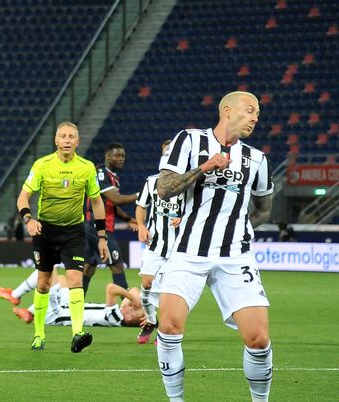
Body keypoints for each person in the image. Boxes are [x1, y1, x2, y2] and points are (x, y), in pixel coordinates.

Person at [151, 91, 274, 402]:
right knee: (169, 325)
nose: (255, 117)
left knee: (258, 339)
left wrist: (236, 228)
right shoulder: (190, 140)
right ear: (227, 110)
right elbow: (164, 189)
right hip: (188, 252)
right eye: (250, 110)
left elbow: (263, 208)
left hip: (236, 256)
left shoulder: (257, 159)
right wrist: (204, 168)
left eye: (257, 113)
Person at [16, 121, 109, 353]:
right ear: (56, 141)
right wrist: (29, 220)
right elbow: (22, 198)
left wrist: (102, 236)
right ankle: (39, 334)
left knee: (75, 280)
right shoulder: (42, 165)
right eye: (63, 136)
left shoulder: (86, 168)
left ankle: (77, 333)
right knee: (44, 284)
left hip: (73, 232)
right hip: (45, 231)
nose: (67, 140)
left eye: (71, 137)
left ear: (77, 142)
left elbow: (97, 202)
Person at [133, 140, 184, 344]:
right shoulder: (151, 181)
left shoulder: (188, 182)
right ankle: (151, 321)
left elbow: (197, 210)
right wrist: (141, 225)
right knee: (146, 284)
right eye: (166, 152)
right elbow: (141, 206)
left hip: (178, 247)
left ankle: (165, 330)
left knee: (168, 291)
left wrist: (183, 218)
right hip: (155, 243)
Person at [83, 142, 139, 295]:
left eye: (123, 156)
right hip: (97, 225)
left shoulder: (113, 177)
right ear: (107, 156)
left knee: (88, 267)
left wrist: (128, 219)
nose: (121, 159)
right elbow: (115, 199)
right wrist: (142, 195)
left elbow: (112, 205)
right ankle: (129, 311)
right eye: (117, 155)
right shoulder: (100, 173)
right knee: (117, 266)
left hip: (94, 226)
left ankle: (74, 308)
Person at [9, 269, 146, 328]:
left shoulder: (115, 317)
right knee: (62, 279)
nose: (132, 305)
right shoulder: (120, 314)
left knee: (50, 269)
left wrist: (132, 299)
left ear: (128, 318)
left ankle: (16, 296)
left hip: (56, 314)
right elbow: (134, 290)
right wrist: (138, 304)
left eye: (134, 308)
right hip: (67, 305)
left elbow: (111, 288)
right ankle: (31, 312)